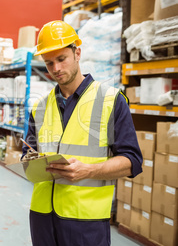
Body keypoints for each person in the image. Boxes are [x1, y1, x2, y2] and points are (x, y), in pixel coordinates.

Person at [22, 20, 143, 246]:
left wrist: (89, 170)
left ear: (77, 52)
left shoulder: (110, 100)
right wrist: (30, 163)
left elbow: (132, 161)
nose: (56, 69)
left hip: (85, 220)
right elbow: (26, 155)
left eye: (61, 59)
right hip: (42, 217)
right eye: (49, 63)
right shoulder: (39, 107)